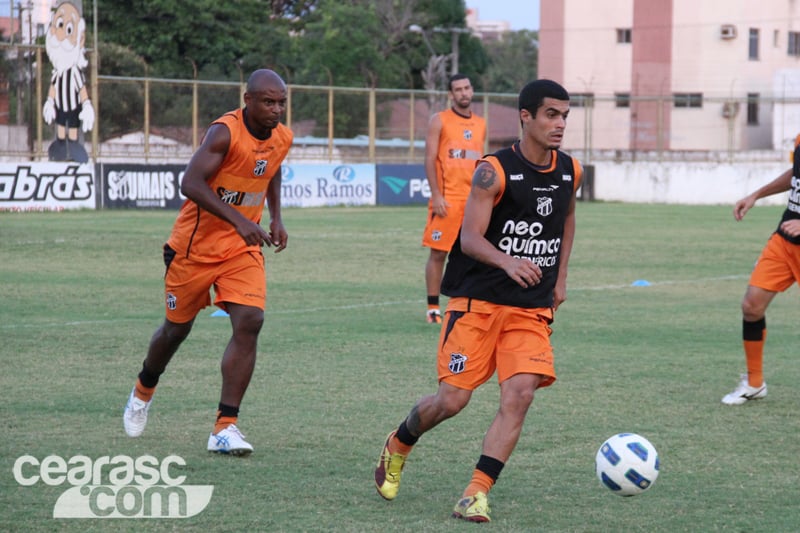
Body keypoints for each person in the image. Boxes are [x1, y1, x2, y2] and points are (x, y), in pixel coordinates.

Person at [375, 79, 582, 522]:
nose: (560, 123)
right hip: (477, 302)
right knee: (451, 401)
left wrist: (560, 278)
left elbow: (567, 218)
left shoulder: (570, 170)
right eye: (551, 114)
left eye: (565, 115)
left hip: (530, 306)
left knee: (520, 394)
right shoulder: (493, 170)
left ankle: (476, 492)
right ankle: (400, 442)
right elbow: (469, 238)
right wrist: (508, 261)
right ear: (525, 117)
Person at [122, 69, 293, 455]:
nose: (276, 109)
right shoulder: (224, 133)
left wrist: (276, 216)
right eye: (268, 101)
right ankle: (143, 390)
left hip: (241, 248)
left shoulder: (283, 137)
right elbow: (190, 183)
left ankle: (224, 427)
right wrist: (239, 220)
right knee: (174, 332)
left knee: (250, 320)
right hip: (192, 250)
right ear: (247, 100)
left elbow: (273, 168)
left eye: (281, 101)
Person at [721, 134, 800, 405]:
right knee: (752, 306)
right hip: (785, 240)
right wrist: (756, 194)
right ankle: (754, 383)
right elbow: (795, 173)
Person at [422, 74, 487, 323]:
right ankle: (432, 308)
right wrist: (436, 194)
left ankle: (467, 304)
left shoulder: (481, 124)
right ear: (451, 94)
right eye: (458, 89)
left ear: (472, 90)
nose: (463, 92)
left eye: (467, 88)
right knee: (439, 253)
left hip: (475, 201)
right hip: (448, 199)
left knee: (475, 253)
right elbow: (429, 158)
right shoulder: (439, 121)